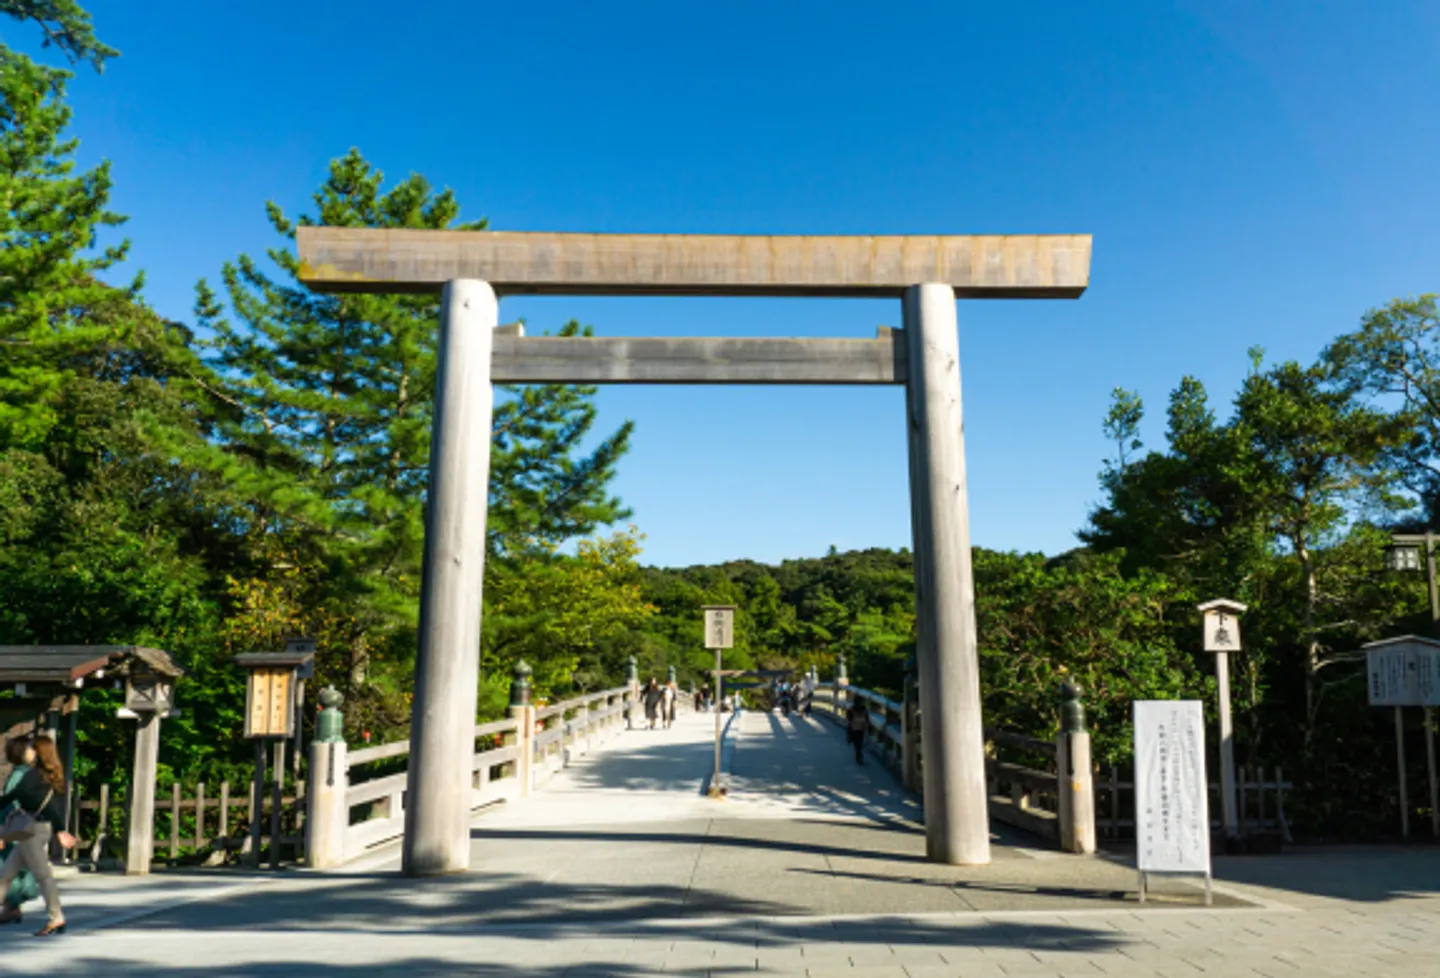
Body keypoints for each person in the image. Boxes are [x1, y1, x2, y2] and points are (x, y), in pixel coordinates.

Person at [0, 735, 75, 935]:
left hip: (32, 830)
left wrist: (60, 831)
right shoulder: (46, 774)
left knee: (43, 876)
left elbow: (19, 798)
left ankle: (56, 917)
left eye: (31, 748)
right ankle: (56, 917)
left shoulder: (34, 775)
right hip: (36, 828)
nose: (27, 751)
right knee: (5, 874)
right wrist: (59, 830)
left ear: (39, 752)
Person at [0, 739, 40, 923]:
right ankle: (13, 906)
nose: (34, 752)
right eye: (31, 749)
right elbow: (11, 805)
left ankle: (13, 906)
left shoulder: (25, 774)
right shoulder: (19, 775)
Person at [846, 698, 869, 765]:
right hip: (862, 728)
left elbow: (849, 720)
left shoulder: (851, 709)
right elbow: (867, 720)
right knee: (860, 742)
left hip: (854, 728)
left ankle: (858, 756)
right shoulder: (865, 710)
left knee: (856, 743)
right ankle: (859, 756)